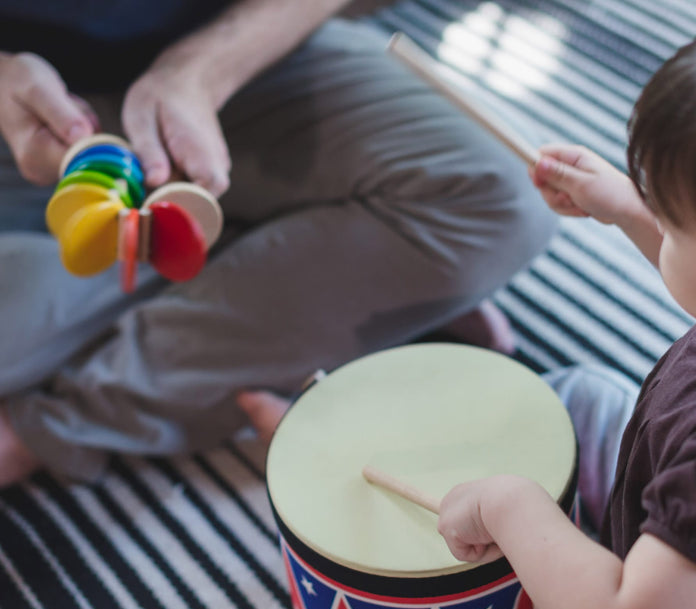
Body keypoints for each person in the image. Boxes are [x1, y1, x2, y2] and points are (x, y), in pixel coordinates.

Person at [142, 15, 696, 609]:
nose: (662, 230)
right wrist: (626, 209)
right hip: (686, 525)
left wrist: (511, 503)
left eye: (678, 227)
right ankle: (352, 443)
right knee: (582, 398)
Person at [0, 0, 555, 487]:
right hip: (27, 113)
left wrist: (199, 72)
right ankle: (300, 259)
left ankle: (67, 416)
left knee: (501, 197)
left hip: (242, 54)